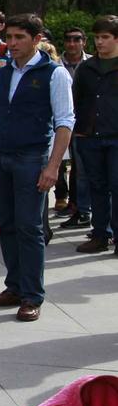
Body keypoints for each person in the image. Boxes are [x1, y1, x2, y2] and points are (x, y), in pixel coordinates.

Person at [0, 13, 75, 323]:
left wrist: (53, 166)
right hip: (1, 156)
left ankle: (32, 295)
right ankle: (14, 286)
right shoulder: (2, 74)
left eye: (19, 37)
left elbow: (65, 121)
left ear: (36, 38)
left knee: (30, 227)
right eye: (10, 37)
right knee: (6, 224)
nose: (12, 43)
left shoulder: (54, 74)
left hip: (32, 158)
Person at [71, 15, 118, 256]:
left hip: (115, 136)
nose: (99, 42)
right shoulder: (86, 68)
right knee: (96, 186)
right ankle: (100, 234)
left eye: (105, 37)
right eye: (97, 37)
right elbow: (75, 99)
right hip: (89, 135)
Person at [55, 27, 92, 227]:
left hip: (84, 123)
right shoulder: (55, 64)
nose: (72, 43)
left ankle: (79, 206)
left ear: (84, 41)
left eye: (76, 39)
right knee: (58, 162)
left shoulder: (92, 63)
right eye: (68, 39)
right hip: (60, 121)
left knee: (81, 168)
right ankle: (62, 197)